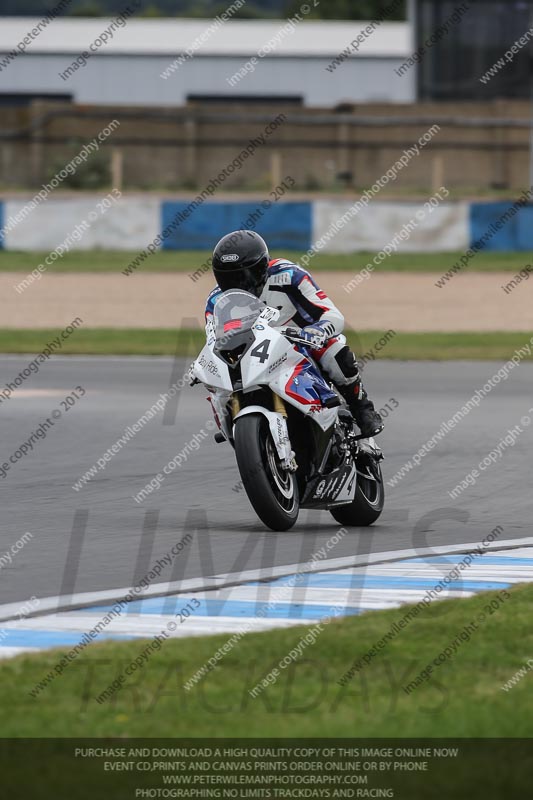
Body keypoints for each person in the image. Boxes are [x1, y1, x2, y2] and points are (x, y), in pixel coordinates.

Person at [204, 229, 383, 437]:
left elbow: (331, 314)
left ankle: (362, 409)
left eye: (244, 275)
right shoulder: (216, 300)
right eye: (229, 278)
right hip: (252, 355)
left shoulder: (288, 275)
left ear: (262, 267)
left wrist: (316, 330)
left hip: (299, 341)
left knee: (335, 351)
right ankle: (236, 428)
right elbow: (213, 341)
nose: (238, 283)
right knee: (219, 385)